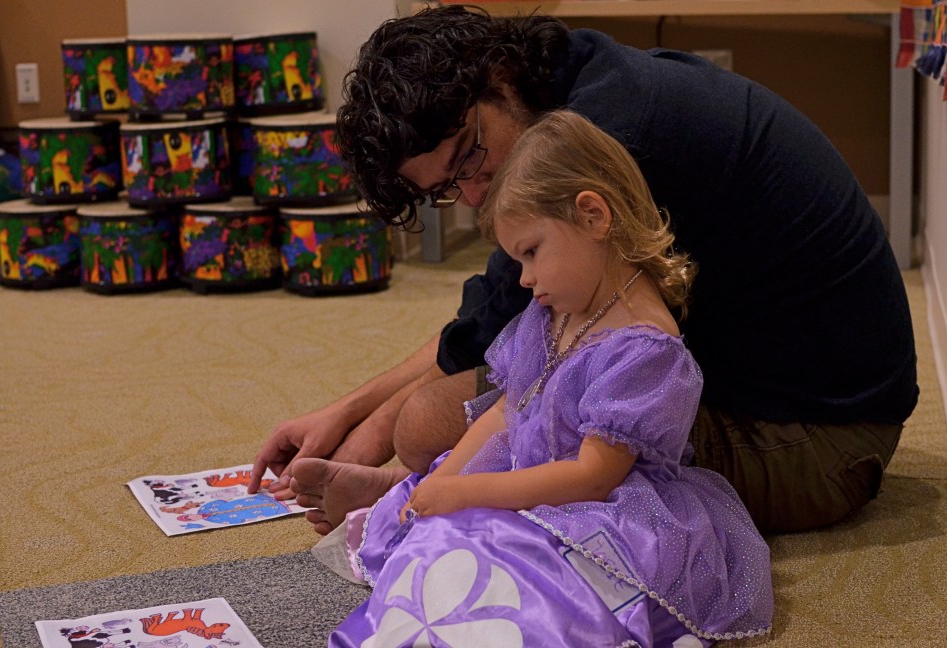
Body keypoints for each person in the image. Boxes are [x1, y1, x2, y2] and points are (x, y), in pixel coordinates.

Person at [249, 4, 918, 535]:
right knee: (439, 414)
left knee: (430, 422)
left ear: (497, 77)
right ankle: (409, 491)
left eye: (469, 158)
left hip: (820, 441)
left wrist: (379, 439)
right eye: (448, 189)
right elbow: (491, 319)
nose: (475, 194)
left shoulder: (608, 139)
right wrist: (350, 412)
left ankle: (412, 495)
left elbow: (503, 332)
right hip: (779, 388)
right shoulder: (574, 79)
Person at [327, 109, 772, 647]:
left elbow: (592, 477)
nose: (526, 279)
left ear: (593, 216)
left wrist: (472, 494)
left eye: (532, 252)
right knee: (444, 531)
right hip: (528, 478)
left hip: (606, 516)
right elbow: (503, 410)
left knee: (520, 572)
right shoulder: (551, 311)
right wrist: (449, 482)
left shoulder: (647, 349)